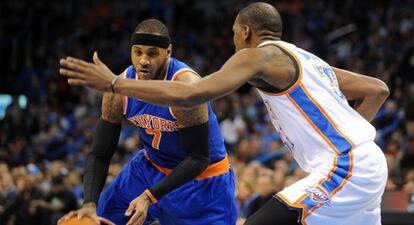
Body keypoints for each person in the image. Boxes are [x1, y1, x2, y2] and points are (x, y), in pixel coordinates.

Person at [59, 2, 390, 225]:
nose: (233, 40)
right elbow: (377, 89)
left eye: (234, 32)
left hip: (346, 166)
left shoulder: (255, 56)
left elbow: (192, 93)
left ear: (245, 31)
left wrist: (115, 83)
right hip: (362, 163)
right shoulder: (306, 59)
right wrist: (350, 137)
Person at [59, 19, 236, 225]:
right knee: (87, 221)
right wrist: (89, 203)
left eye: (152, 53)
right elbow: (100, 153)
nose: (143, 60)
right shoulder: (118, 87)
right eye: (138, 52)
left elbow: (198, 159)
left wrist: (149, 197)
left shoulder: (185, 86)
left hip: (201, 182)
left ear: (168, 52)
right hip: (148, 169)